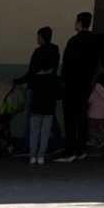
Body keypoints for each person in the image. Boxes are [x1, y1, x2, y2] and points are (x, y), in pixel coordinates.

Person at [56, 11, 100, 163]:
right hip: (85, 84)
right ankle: (80, 149)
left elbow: (68, 65)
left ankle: (70, 150)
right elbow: (95, 64)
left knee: (69, 119)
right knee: (81, 117)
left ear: (80, 23)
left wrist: (63, 82)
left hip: (72, 84)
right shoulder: (95, 41)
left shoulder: (74, 41)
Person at [23, 26, 60, 166]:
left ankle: (32, 155)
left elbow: (31, 73)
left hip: (38, 92)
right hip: (49, 93)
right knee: (46, 129)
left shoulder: (38, 52)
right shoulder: (55, 51)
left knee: (34, 128)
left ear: (42, 37)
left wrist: (18, 81)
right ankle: (41, 156)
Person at [85, 70, 104, 154]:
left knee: (92, 128)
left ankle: (93, 141)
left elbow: (91, 99)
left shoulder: (96, 88)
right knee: (101, 127)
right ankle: (102, 140)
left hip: (94, 112)